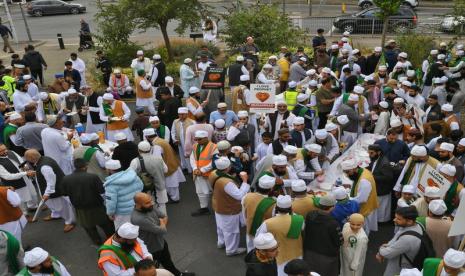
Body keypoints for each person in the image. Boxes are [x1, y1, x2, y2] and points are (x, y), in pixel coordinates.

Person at [131, 193, 195, 276]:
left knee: (168, 263)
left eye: (150, 201)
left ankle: (179, 275)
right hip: (151, 249)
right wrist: (161, 224)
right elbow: (163, 230)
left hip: (160, 242)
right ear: (138, 204)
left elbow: (164, 216)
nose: (151, 204)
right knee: (153, 270)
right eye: (147, 203)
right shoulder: (138, 218)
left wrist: (161, 225)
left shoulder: (149, 207)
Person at [61, 158, 114, 245]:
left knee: (89, 228)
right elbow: (102, 191)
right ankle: (112, 241)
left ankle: (98, 243)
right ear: (85, 166)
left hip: (80, 210)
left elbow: (64, 193)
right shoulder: (92, 177)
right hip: (97, 207)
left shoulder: (66, 179)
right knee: (106, 225)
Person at [24, 149, 76, 232]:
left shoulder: (44, 167)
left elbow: (51, 181)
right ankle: (55, 214)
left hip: (56, 191)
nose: (27, 160)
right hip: (53, 190)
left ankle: (70, 221)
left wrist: (47, 193)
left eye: (27, 158)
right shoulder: (44, 159)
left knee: (62, 207)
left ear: (32, 158)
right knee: (55, 206)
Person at [256, 195, 304, 276]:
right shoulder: (299, 220)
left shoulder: (268, 223)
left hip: (279, 258)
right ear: (291, 208)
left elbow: (258, 237)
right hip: (297, 255)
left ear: (276, 208)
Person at [376, 206, 423, 276]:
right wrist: (389, 245)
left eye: (398, 219)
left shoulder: (407, 239)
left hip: (400, 269)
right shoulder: (418, 225)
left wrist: (381, 249)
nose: (394, 220)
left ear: (409, 221)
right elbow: (398, 235)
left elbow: (387, 254)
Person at [303, 194, 341, 276]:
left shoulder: (310, 215)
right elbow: (339, 241)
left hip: (310, 253)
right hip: (327, 257)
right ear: (331, 207)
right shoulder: (333, 223)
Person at [340, 159, 379, 235]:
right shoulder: (363, 170)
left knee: (361, 231)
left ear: (355, 168)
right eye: (345, 172)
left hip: (365, 208)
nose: (347, 175)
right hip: (367, 204)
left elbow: (361, 199)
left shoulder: (364, 180)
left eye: (348, 172)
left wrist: (344, 199)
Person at [130, 141, 168, 214]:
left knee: (149, 206)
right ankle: (163, 219)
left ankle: (154, 221)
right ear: (150, 149)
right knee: (162, 204)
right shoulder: (158, 158)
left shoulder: (135, 161)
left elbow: (131, 175)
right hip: (160, 186)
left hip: (145, 188)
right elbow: (166, 170)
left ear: (139, 150)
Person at [0, 143, 36, 218]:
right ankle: (24, 215)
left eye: (5, 149)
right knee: (20, 201)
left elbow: (21, 161)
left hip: (25, 177)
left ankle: (33, 206)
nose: (5, 151)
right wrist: (25, 173)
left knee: (33, 194)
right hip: (14, 183)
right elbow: (7, 176)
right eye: (2, 151)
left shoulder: (11, 152)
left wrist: (25, 167)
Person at [242, 175, 276, 252]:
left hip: (249, 227)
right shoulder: (273, 203)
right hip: (264, 233)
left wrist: (247, 222)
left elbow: (244, 213)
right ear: (271, 189)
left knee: (250, 247)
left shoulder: (247, 196)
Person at [190, 130, 218, 216]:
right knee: (200, 192)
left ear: (206, 138)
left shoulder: (214, 147)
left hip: (209, 174)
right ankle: (204, 208)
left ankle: (218, 208)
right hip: (198, 174)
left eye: (200, 139)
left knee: (214, 191)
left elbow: (214, 161)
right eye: (196, 139)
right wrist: (195, 168)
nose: (198, 141)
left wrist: (202, 170)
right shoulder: (195, 146)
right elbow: (192, 158)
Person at [367, 144, 395, 222]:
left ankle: (381, 222)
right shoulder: (376, 158)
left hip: (382, 189)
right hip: (378, 187)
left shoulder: (384, 163)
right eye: (369, 153)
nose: (370, 155)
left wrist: (371, 177)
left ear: (378, 152)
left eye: (371, 153)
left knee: (381, 208)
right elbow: (371, 167)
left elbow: (388, 177)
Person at [171, 107, 194, 174]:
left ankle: (191, 169)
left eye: (183, 114)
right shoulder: (175, 121)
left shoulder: (192, 122)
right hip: (180, 142)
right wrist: (175, 140)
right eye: (180, 114)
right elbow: (173, 132)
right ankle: (184, 167)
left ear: (187, 114)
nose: (181, 116)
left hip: (189, 143)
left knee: (189, 155)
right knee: (181, 155)